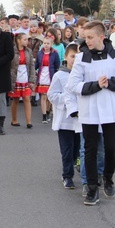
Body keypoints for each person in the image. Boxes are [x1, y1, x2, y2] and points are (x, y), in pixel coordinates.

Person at [66, 21, 115, 206]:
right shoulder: (82, 57)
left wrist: (110, 83)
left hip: (110, 109)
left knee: (110, 148)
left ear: (102, 37)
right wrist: (95, 86)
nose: (88, 41)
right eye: (86, 37)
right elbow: (72, 85)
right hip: (90, 109)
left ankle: (108, 178)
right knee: (90, 149)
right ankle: (92, 188)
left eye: (91, 37)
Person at [48, 43, 81, 190]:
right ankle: (67, 176)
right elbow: (51, 95)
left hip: (80, 118)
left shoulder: (82, 74)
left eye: (77, 56)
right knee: (67, 149)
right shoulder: (59, 75)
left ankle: (76, 165)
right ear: (66, 57)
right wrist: (67, 99)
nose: (74, 59)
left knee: (77, 149)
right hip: (65, 119)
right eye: (72, 56)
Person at [9, 32, 36, 128]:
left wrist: (32, 79)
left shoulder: (28, 51)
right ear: (18, 40)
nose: (27, 41)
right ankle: (14, 120)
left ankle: (29, 121)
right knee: (15, 99)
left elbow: (32, 66)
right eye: (24, 39)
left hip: (25, 76)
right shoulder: (12, 51)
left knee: (27, 98)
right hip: (15, 77)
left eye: (27, 39)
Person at [36, 36, 61, 124]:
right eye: (45, 43)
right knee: (43, 96)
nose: (46, 45)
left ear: (51, 44)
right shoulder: (40, 53)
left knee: (49, 96)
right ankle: (44, 116)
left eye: (48, 43)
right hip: (42, 75)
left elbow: (57, 65)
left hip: (51, 76)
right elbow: (36, 65)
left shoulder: (55, 53)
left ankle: (47, 111)